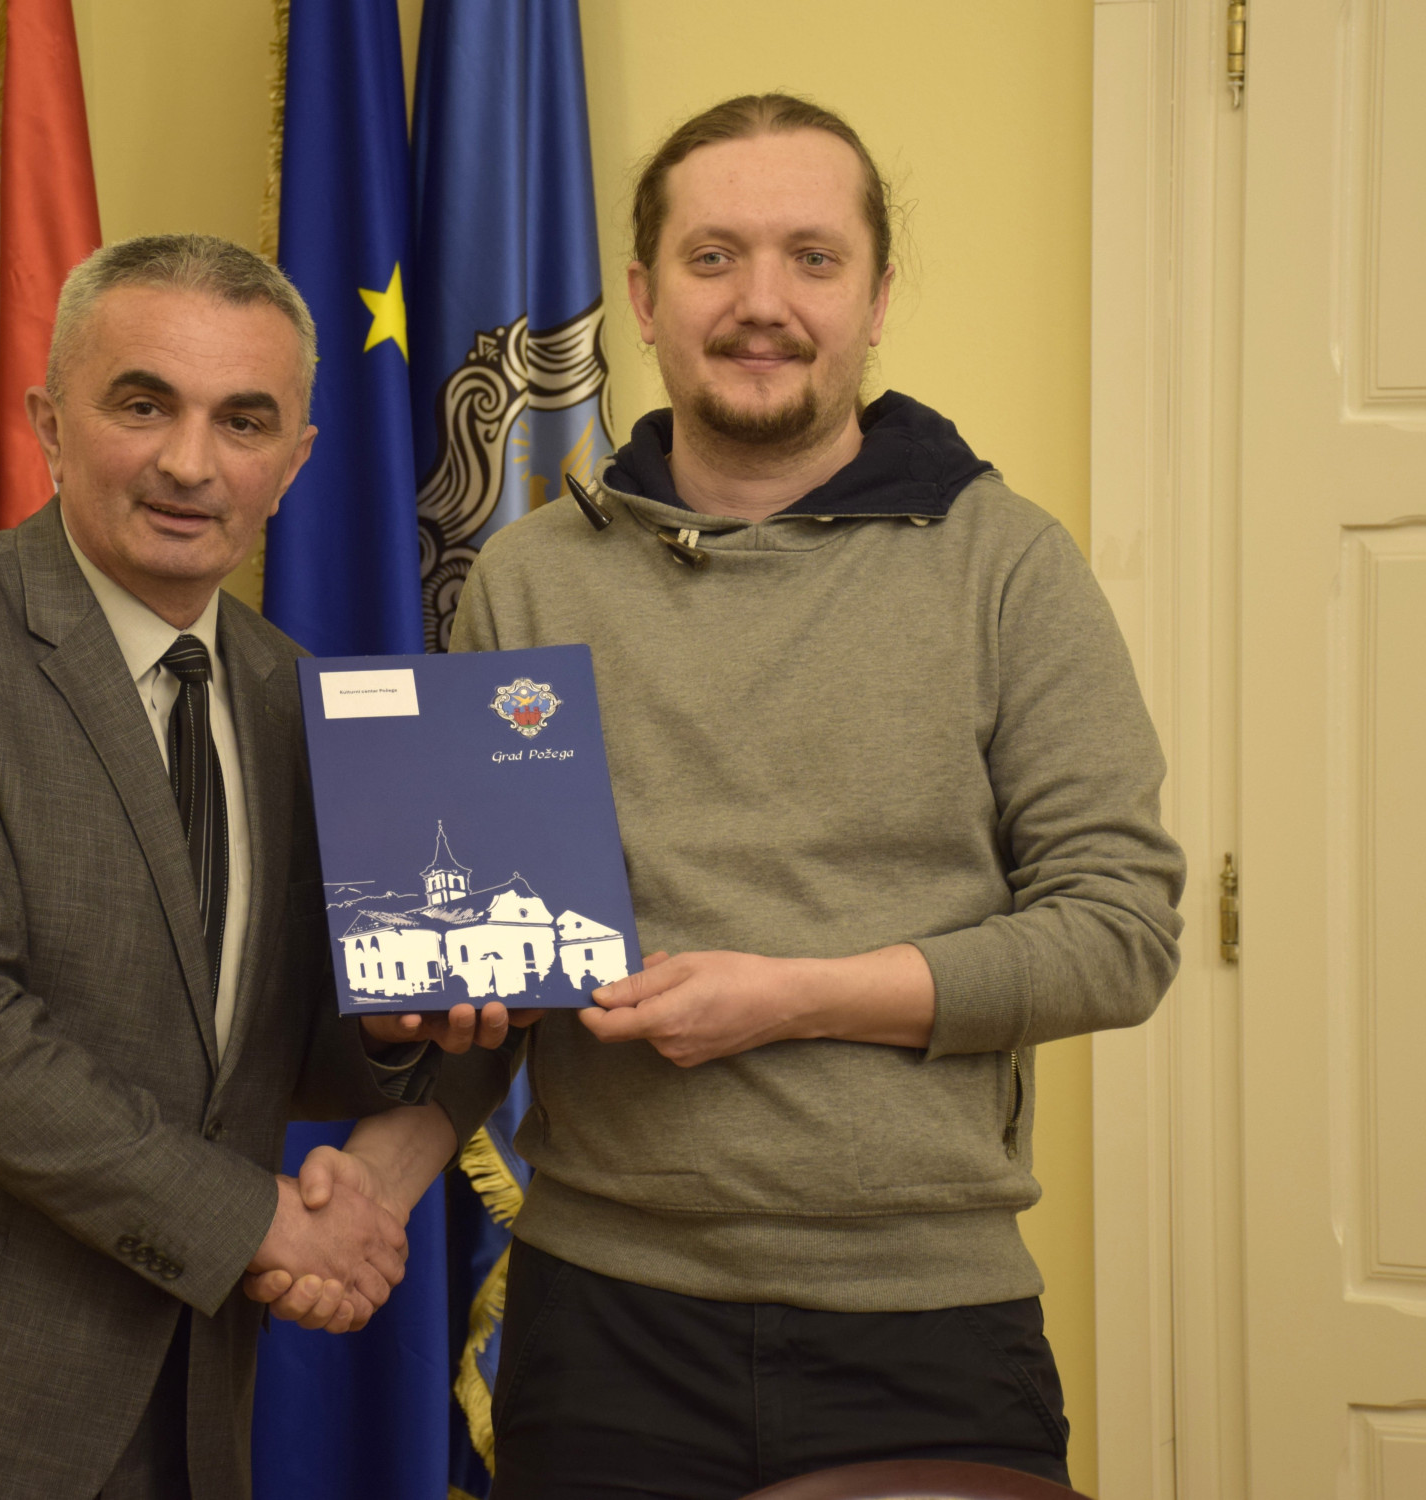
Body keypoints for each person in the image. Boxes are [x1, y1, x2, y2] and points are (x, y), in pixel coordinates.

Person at [323, 94, 1187, 1497]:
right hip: (599, 1326)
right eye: (714, 257)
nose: (762, 303)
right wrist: (377, 1176)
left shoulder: (1009, 565)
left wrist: (793, 998)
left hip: (925, 1324)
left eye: (812, 258)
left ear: (877, 297)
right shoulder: (527, 581)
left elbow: (1119, 933)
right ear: (642, 296)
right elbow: (496, 969)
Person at [0, 234, 504, 1500]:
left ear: (294, 462)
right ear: (48, 423)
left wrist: (391, 1037)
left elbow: (256, 1049)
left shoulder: (299, 700)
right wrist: (265, 1224)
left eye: (242, 420)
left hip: (181, 1404)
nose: (189, 463)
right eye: (142, 404)